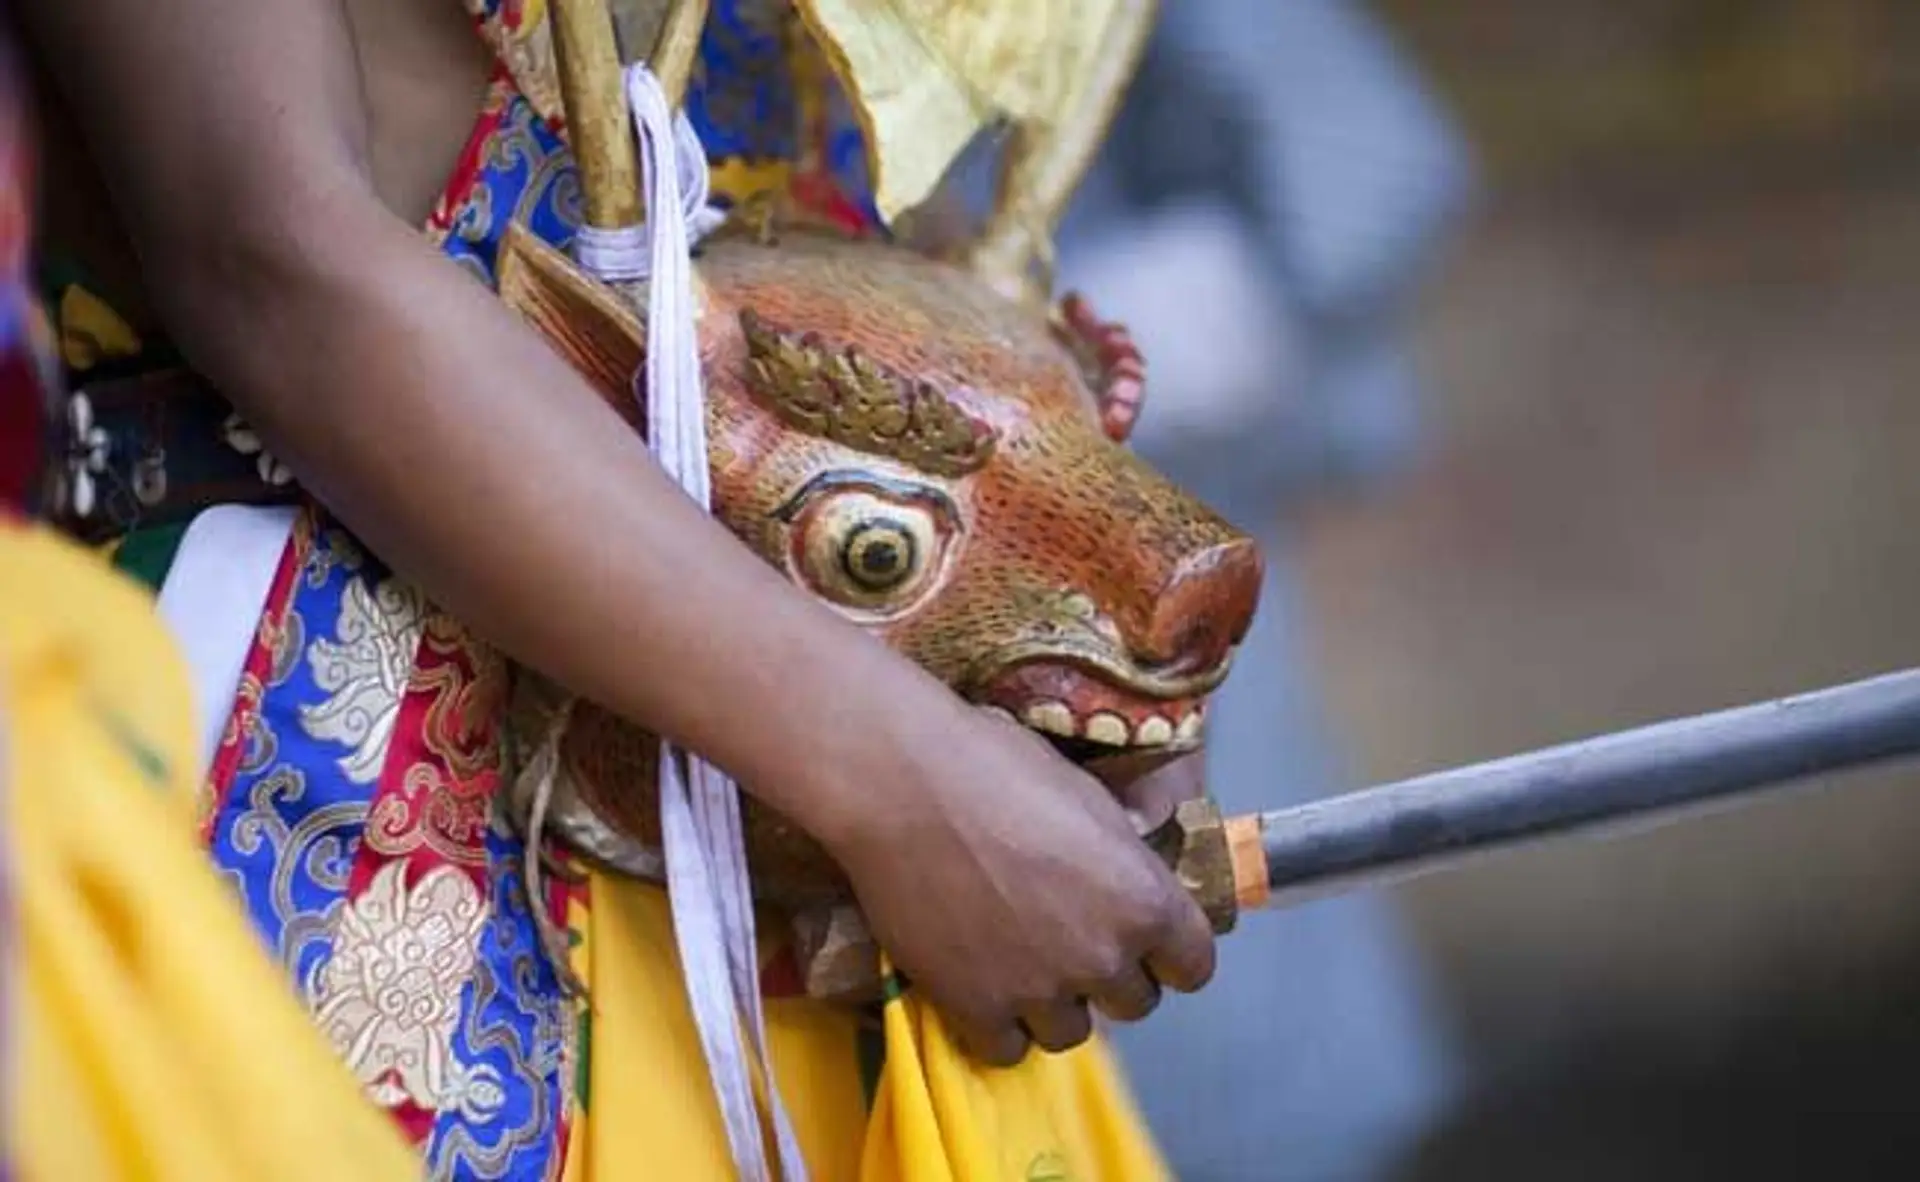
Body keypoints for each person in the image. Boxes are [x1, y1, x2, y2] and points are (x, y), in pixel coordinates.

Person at [11, 0, 1213, 1175]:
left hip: (827, 841)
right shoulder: (895, 781)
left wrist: (1075, 661)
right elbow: (272, 255)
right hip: (360, 800)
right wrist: (904, 780)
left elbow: (839, 188)